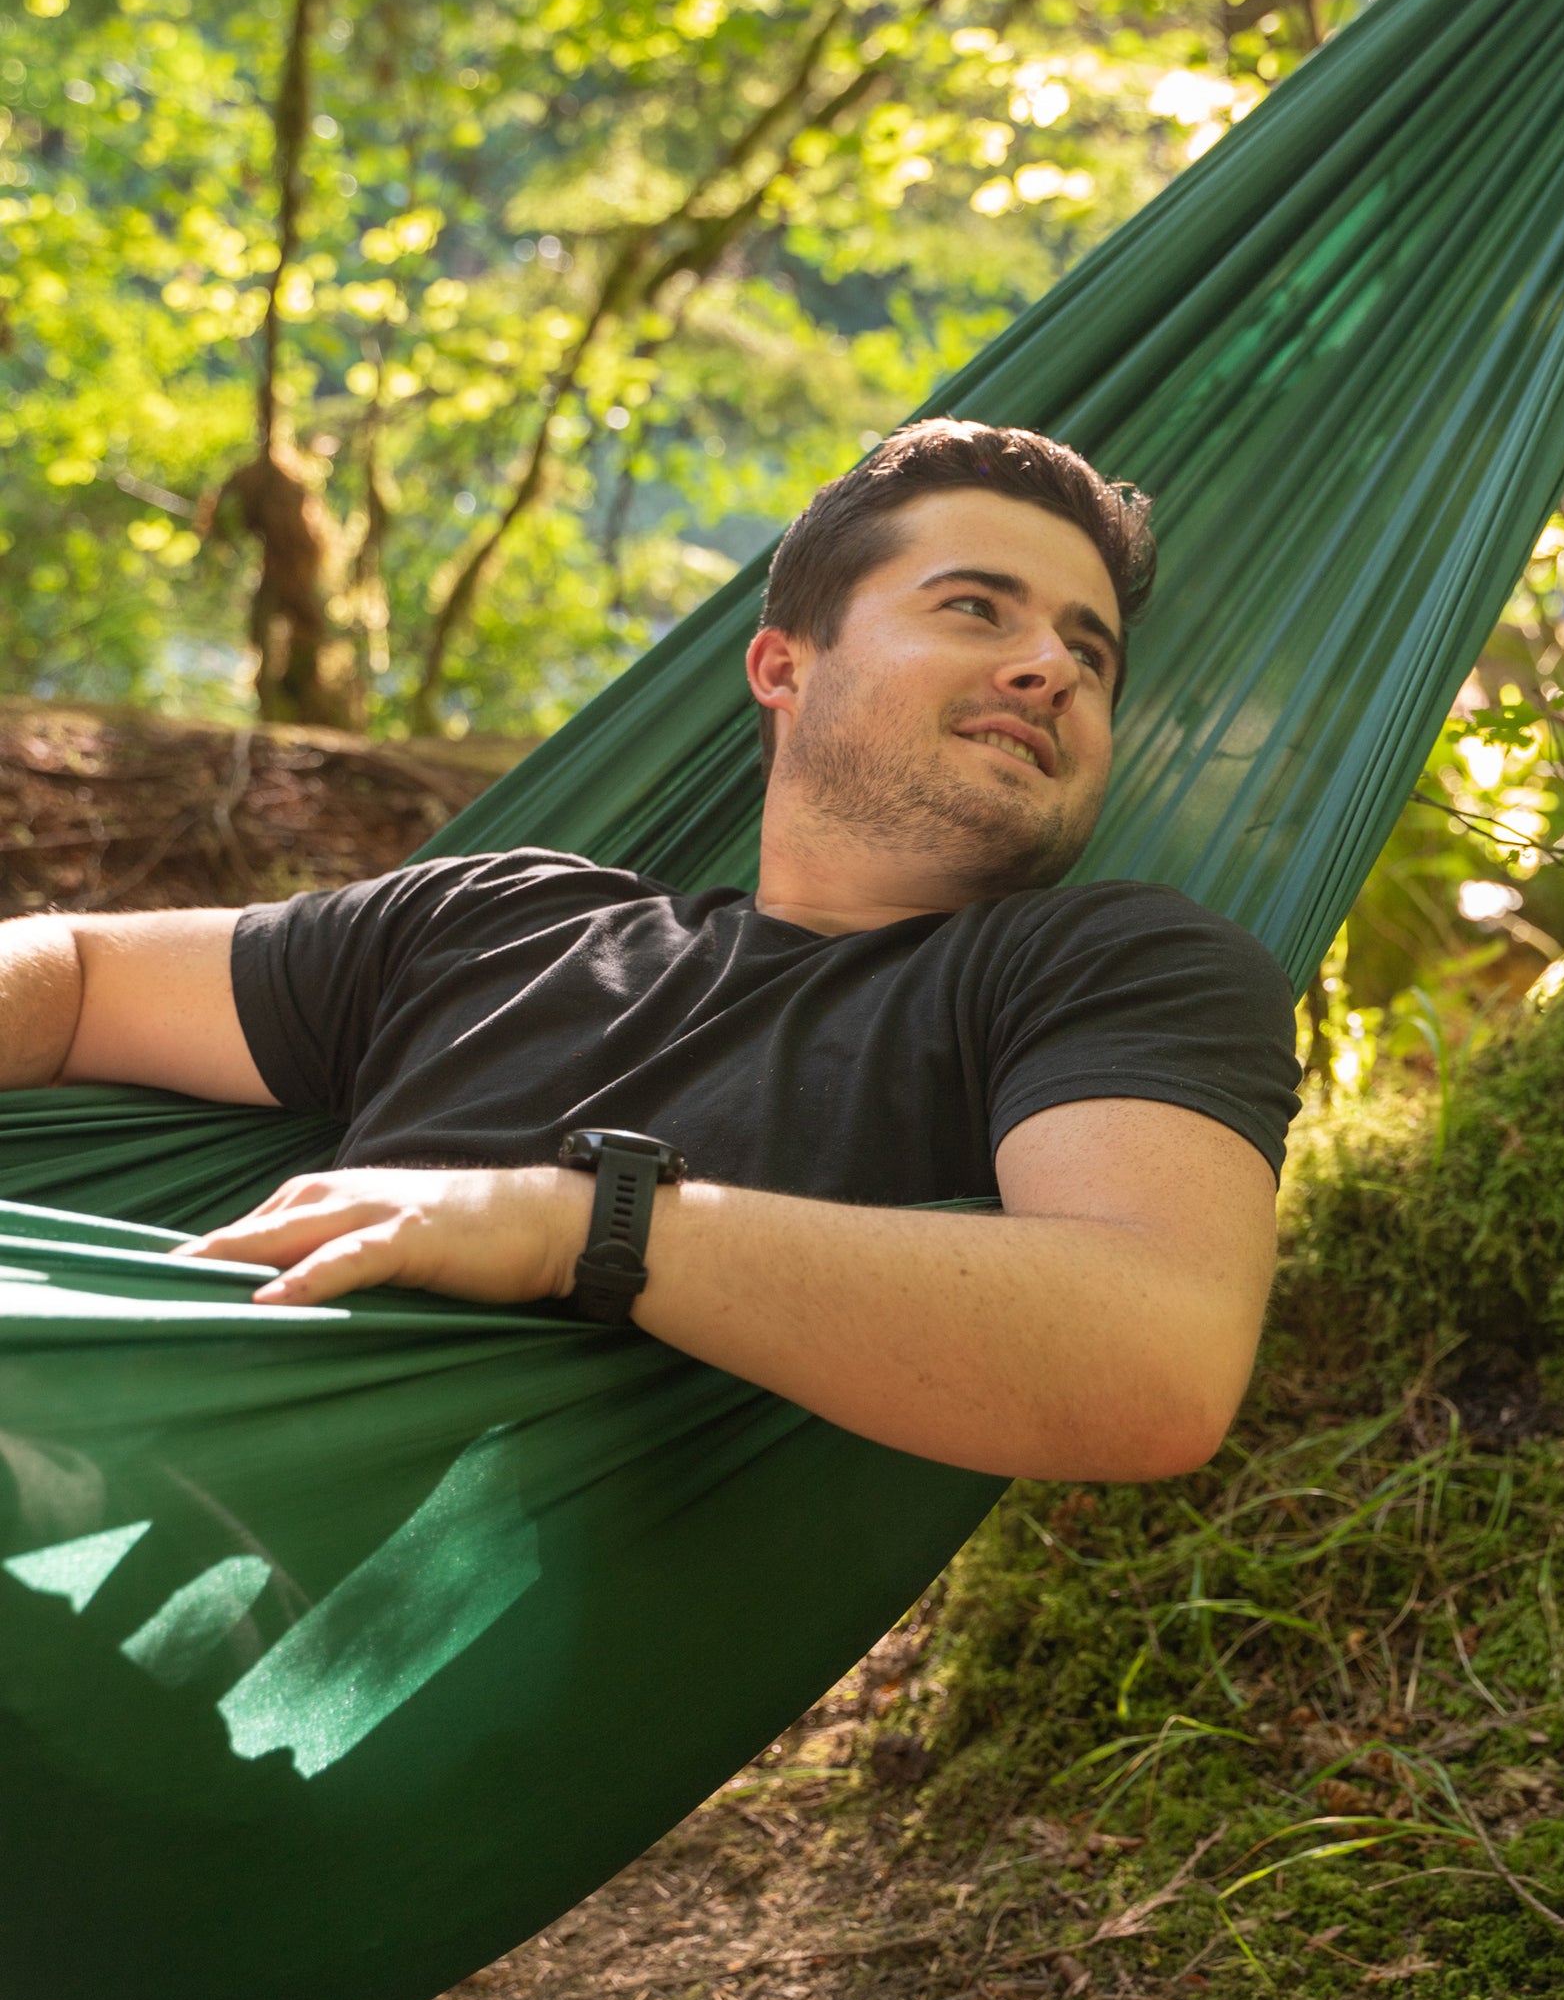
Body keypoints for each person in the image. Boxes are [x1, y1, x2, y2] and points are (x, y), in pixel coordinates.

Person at [0, 422, 1299, 1482]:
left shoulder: (1110, 972)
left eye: (1090, 650)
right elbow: (76, 978)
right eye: (977, 609)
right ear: (783, 665)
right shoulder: (497, 918)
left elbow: (1154, 1357)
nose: (1049, 669)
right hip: (113, 1450)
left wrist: (583, 1225)